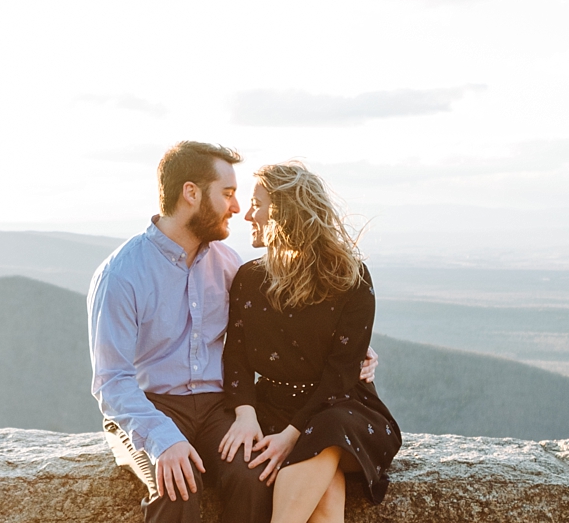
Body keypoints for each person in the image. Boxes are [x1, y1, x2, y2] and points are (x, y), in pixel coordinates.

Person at [87, 142, 378, 523]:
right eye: (227, 194)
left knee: (255, 475)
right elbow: (112, 382)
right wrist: (163, 440)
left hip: (214, 407)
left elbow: (285, 323)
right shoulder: (122, 275)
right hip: (148, 404)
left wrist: (359, 349)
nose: (237, 207)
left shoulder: (227, 265)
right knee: (177, 486)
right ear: (191, 193)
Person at [218, 162, 400, 523]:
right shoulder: (249, 278)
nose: (248, 215)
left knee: (326, 433)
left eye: (257, 204)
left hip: (342, 411)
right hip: (271, 409)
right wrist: (245, 414)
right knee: (326, 495)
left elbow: (340, 374)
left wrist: (291, 435)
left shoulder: (351, 277)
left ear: (285, 211)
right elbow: (235, 355)